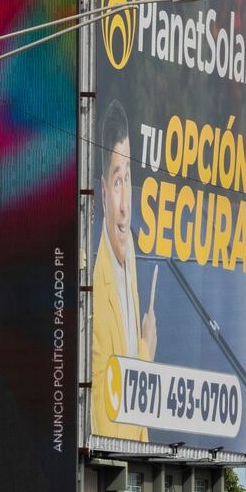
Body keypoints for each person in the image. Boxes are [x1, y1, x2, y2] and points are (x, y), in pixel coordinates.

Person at [90, 99, 156, 442]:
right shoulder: (95, 293)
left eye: (128, 178)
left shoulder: (127, 248)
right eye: (117, 181)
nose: (126, 202)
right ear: (103, 192)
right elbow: (105, 421)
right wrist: (146, 350)